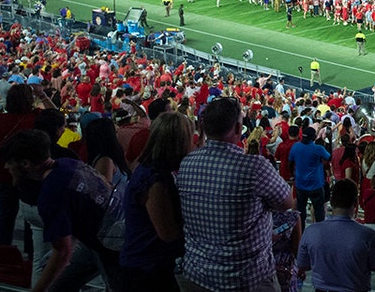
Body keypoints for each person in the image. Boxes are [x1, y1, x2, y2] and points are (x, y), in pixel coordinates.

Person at [176, 96, 293, 292]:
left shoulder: (187, 162)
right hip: (247, 279)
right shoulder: (254, 166)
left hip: (196, 275)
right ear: (238, 128)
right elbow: (286, 203)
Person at [0, 129, 123, 292]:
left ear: (25, 163)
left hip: (112, 244)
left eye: (10, 162)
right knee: (60, 283)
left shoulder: (51, 193)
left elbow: (62, 252)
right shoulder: (67, 163)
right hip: (106, 235)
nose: (6, 166)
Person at [119, 111, 194, 291]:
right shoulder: (155, 180)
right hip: (147, 266)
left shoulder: (147, 167)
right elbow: (167, 232)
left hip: (144, 263)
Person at [296, 179, 375, 292]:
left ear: (332, 203)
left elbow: (302, 264)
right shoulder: (367, 235)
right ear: (355, 204)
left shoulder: (311, 231)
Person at [0, 82, 41, 247]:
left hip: (0, 171)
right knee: (31, 215)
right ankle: (31, 253)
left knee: (6, 212)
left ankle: (3, 250)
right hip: (29, 173)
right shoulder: (36, 117)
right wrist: (43, 95)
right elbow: (59, 114)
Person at [288, 126, 331, 223]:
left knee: (301, 211)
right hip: (316, 184)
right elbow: (328, 157)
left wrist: (293, 175)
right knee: (319, 211)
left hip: (300, 183)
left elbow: (290, 163)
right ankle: (319, 233)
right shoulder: (318, 148)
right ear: (314, 137)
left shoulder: (295, 146)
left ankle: (301, 233)